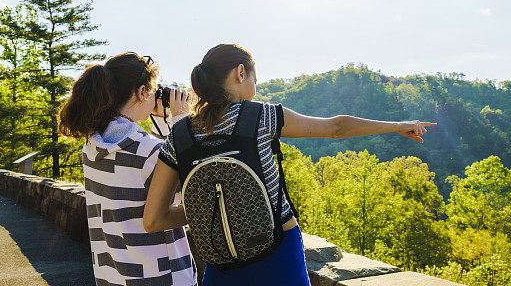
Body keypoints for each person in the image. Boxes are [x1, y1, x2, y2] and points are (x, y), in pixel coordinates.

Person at [143, 44, 436, 286]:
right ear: (240, 73)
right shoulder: (262, 117)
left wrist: (212, 208)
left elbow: (153, 220)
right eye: (254, 79)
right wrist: (398, 125)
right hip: (278, 255)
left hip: (221, 266)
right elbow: (336, 128)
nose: (255, 86)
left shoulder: (177, 136)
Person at [59, 52, 198, 286]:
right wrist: (181, 121)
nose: (155, 96)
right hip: (161, 277)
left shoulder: (92, 147)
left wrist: (164, 123)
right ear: (142, 92)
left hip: (113, 275)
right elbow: (193, 188)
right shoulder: (148, 153)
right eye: (152, 90)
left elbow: (156, 164)